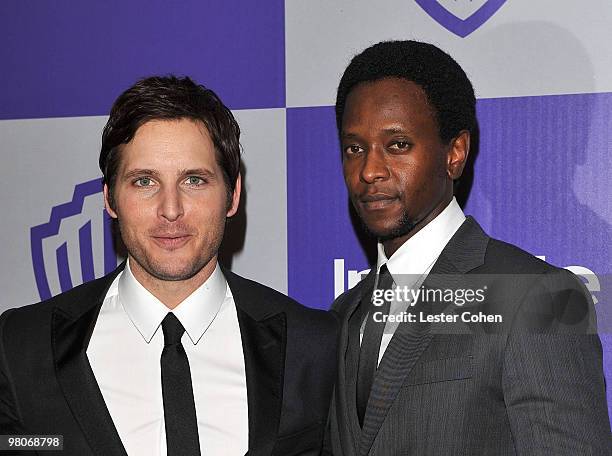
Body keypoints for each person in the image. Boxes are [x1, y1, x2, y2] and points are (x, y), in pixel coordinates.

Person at [0, 76, 337, 456]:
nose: (171, 210)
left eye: (194, 180)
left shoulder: (314, 347)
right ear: (110, 198)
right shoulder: (20, 347)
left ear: (233, 195)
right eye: (144, 181)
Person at [326, 41, 611, 455]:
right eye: (355, 149)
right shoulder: (344, 315)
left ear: (454, 153)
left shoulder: (540, 298)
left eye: (398, 145)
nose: (369, 170)